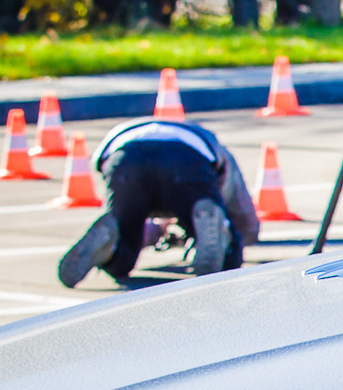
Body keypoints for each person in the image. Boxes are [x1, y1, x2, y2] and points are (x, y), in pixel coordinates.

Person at [57, 115, 261, 287]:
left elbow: (102, 167)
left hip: (124, 157)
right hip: (186, 159)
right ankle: (218, 239)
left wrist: (154, 232)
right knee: (225, 243)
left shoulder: (127, 130)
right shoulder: (210, 142)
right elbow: (243, 214)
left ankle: (111, 245)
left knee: (125, 247)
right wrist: (241, 232)